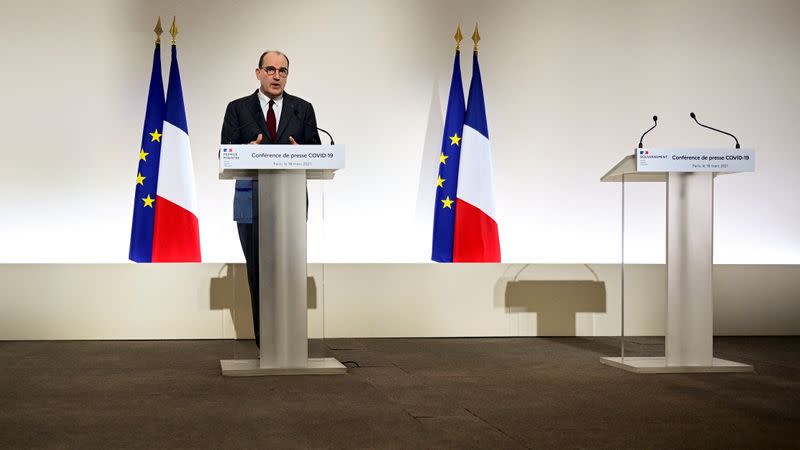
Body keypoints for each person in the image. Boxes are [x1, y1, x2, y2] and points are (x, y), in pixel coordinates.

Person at [220, 50, 321, 348]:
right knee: (258, 270)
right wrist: (246, 150)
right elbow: (225, 151)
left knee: (288, 268)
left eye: (283, 70)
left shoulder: (302, 109)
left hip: (290, 200)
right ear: (258, 73)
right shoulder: (238, 109)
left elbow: (316, 151)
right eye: (271, 69)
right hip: (251, 200)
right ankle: (266, 341)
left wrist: (301, 150)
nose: (277, 75)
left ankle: (289, 338)